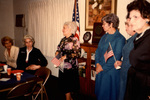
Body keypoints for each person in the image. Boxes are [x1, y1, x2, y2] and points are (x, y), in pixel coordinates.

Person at [95, 13, 125, 100]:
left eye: (104, 24)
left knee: (108, 96)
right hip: (100, 69)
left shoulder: (120, 39)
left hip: (110, 73)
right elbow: (97, 52)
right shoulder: (104, 37)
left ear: (111, 24)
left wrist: (102, 67)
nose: (102, 26)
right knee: (100, 95)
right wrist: (97, 64)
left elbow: (116, 57)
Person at [124, 0, 150, 100]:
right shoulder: (139, 36)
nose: (131, 21)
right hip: (134, 87)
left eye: (136, 17)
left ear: (147, 18)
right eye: (130, 18)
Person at [55, 21, 81, 100]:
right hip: (63, 67)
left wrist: (66, 56)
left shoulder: (75, 40)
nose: (62, 30)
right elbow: (59, 50)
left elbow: (78, 54)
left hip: (70, 68)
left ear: (70, 29)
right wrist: (57, 53)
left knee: (68, 87)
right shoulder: (63, 40)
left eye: (64, 28)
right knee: (65, 87)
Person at [114, 14, 137, 100]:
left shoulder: (136, 40)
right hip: (125, 74)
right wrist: (122, 63)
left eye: (128, 25)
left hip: (129, 76)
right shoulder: (131, 39)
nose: (126, 28)